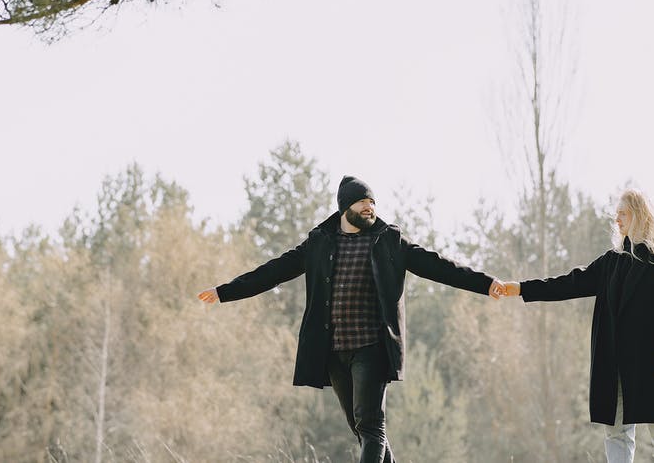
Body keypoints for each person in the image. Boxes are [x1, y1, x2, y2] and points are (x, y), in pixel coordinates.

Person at [198, 175, 507, 463]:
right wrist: (226, 292)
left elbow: (439, 267)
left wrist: (485, 283)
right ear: (346, 207)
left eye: (373, 203)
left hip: (372, 347)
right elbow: (273, 272)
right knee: (361, 430)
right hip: (333, 350)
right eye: (363, 202)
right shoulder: (320, 243)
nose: (370, 208)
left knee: (371, 425)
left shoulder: (390, 242)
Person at [503, 188, 654, 463]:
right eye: (616, 215)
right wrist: (520, 288)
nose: (617, 220)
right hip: (612, 362)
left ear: (639, 215)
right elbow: (570, 283)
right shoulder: (611, 261)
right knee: (616, 432)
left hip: (651, 362)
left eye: (622, 214)